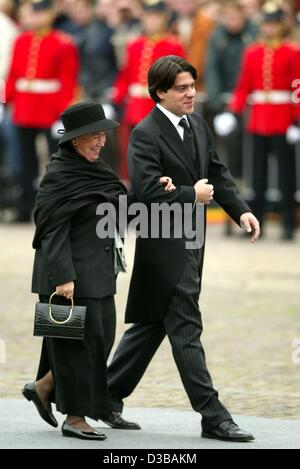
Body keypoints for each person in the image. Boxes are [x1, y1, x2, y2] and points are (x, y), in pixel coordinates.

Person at [106, 55, 260, 442]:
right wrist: (193, 194)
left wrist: (240, 212)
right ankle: (213, 414)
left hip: (192, 241)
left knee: (154, 323)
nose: (191, 93)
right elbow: (145, 192)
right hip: (163, 245)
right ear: (160, 92)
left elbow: (217, 173)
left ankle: (101, 396)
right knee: (186, 325)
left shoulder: (197, 124)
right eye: (182, 88)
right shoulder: (145, 132)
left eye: (192, 86)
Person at [22, 101, 174, 440]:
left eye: (103, 135)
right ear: (75, 139)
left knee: (99, 338)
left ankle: (43, 386)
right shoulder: (58, 176)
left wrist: (155, 195)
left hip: (99, 272)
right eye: (94, 136)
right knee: (75, 346)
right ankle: (75, 418)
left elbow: (117, 211)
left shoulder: (97, 170)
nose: (101, 142)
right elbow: (51, 230)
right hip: (66, 277)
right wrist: (63, 276)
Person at [228, 1, 300, 240]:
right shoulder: (253, 52)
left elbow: (296, 87)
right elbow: (244, 86)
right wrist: (233, 111)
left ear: (281, 26)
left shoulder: (292, 51)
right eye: (267, 24)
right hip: (259, 119)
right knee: (256, 176)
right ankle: (255, 222)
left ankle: (289, 223)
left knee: (286, 176)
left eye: (274, 24)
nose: (270, 28)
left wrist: (296, 121)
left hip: (282, 119)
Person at [5, 0, 79, 222]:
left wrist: (62, 111)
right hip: (24, 107)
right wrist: (6, 100)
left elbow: (67, 79)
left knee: (54, 160)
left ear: (50, 14)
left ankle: (54, 205)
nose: (38, 17)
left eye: (42, 12)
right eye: (35, 13)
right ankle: (24, 205)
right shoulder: (22, 40)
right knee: (24, 160)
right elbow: (14, 74)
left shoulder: (63, 43)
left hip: (49, 108)